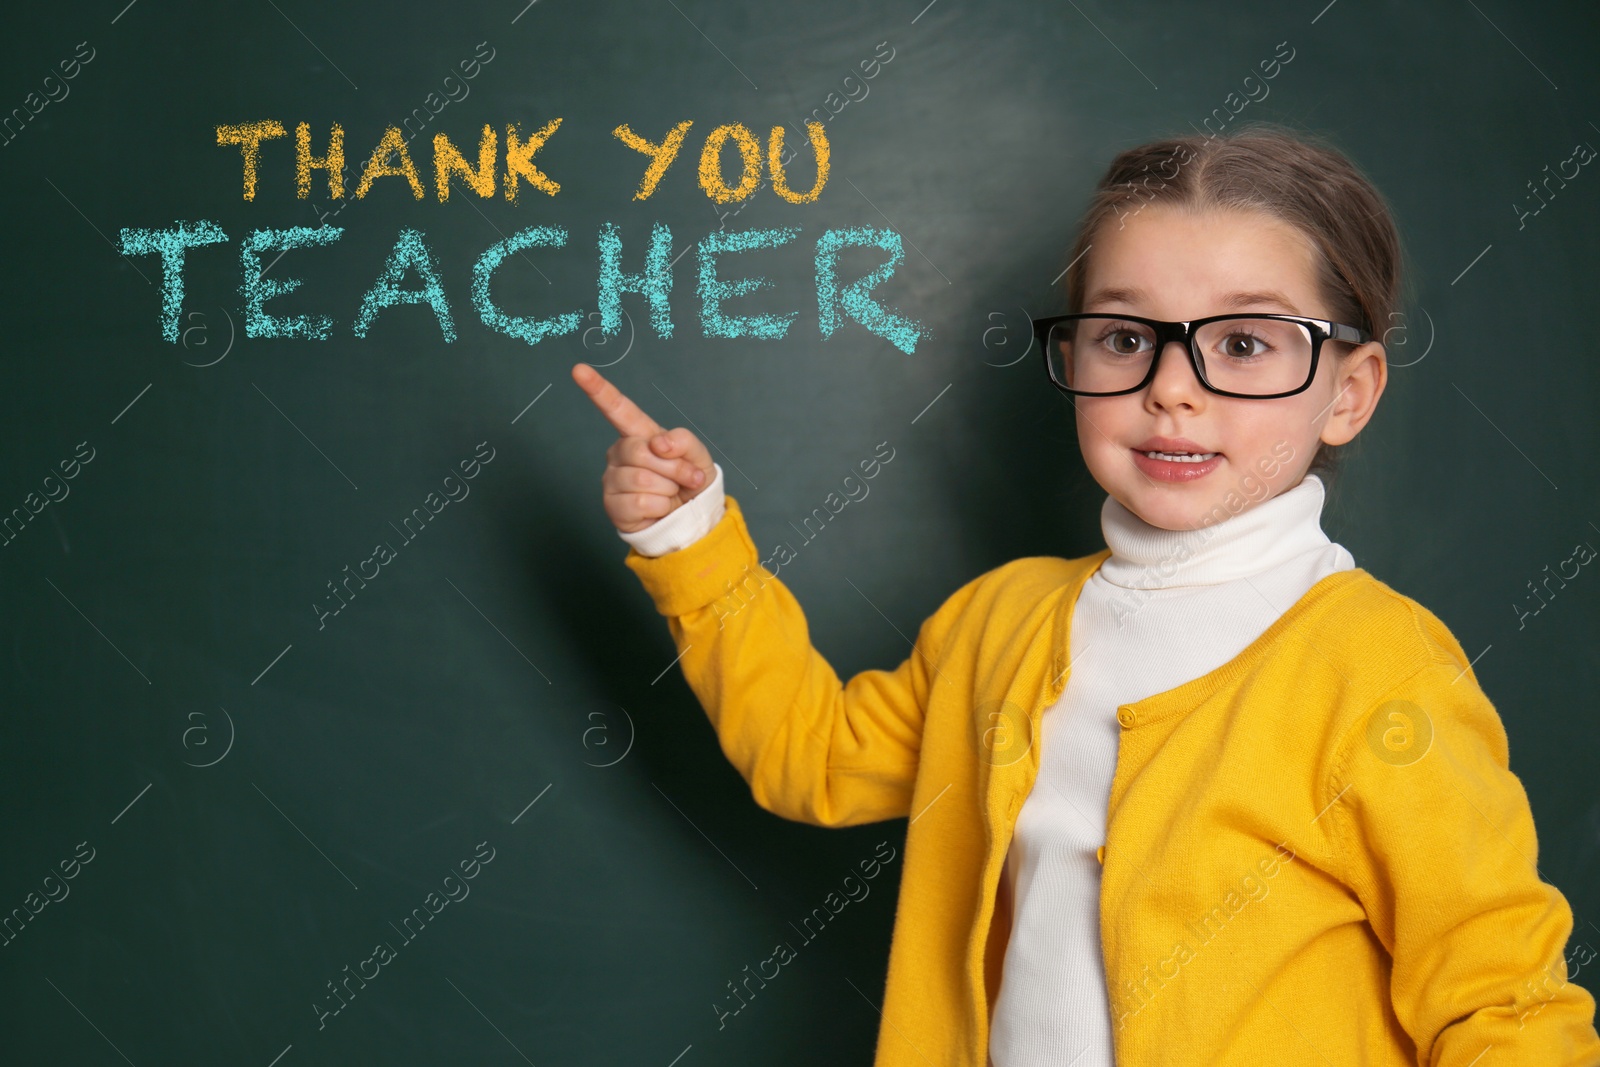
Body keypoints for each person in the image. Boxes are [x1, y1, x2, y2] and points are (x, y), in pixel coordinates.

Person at [572, 122, 1600, 1066]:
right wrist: (691, 537)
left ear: (1348, 390)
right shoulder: (998, 622)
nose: (1171, 386)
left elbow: (1502, 1004)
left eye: (1242, 344)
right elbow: (813, 757)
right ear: (1072, 354)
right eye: (1122, 337)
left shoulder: (1378, 670)